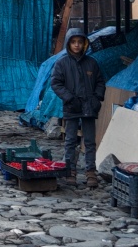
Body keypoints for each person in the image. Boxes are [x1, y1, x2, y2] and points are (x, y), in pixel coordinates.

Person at [50, 28, 106, 188]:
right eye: (73, 42)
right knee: (70, 140)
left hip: (89, 108)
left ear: (84, 44)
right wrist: (69, 98)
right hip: (71, 107)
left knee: (89, 141)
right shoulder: (62, 63)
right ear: (69, 44)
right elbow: (56, 83)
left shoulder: (92, 63)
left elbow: (100, 81)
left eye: (79, 42)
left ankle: (90, 172)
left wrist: (97, 98)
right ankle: (70, 171)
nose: (76, 45)